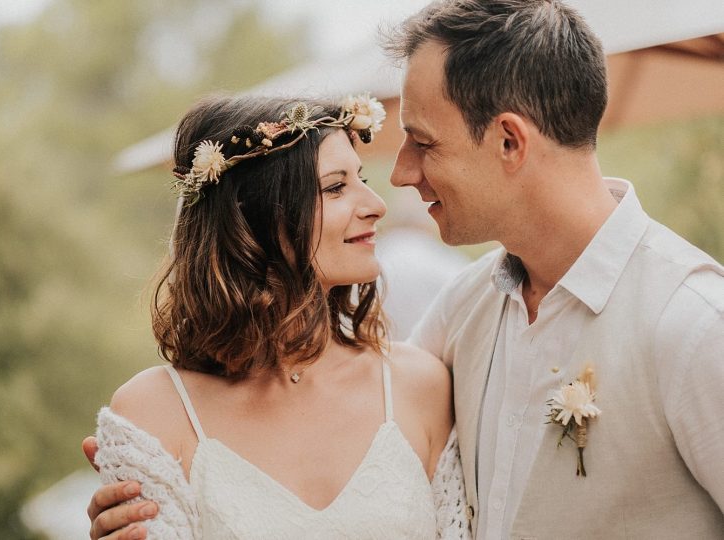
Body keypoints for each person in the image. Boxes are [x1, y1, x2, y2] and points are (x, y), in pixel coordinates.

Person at [87, 1, 724, 538]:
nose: (399, 175)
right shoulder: (463, 314)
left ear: (509, 141)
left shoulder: (692, 324)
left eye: (423, 140)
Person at [87, 93, 470, 539]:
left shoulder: (420, 386)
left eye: (361, 178)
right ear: (255, 217)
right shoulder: (154, 412)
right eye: (336, 186)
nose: (376, 204)